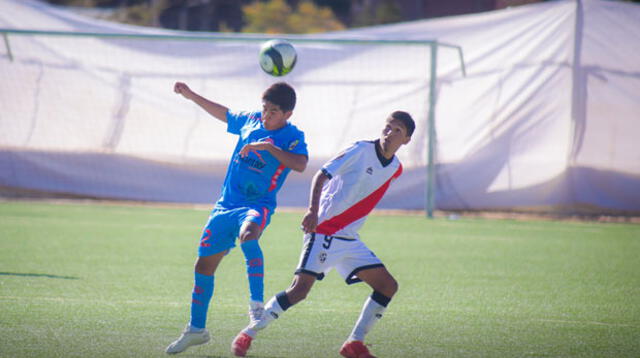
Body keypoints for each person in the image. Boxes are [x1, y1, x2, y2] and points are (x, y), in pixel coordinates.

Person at [231, 111, 415, 358]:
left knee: (387, 286)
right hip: (324, 231)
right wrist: (313, 212)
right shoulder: (360, 150)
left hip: (349, 239)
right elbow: (321, 175)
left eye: (397, 131)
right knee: (299, 291)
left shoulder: (395, 168)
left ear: (406, 140)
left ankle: (354, 343)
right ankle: (248, 333)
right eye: (388, 127)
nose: (389, 133)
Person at [165, 82, 308, 354]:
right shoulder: (252, 120)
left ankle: (256, 306)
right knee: (203, 267)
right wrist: (191, 94)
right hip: (225, 206)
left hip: (257, 204)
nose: (266, 115)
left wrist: (269, 148)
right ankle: (197, 329)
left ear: (287, 114)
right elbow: (225, 114)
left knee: (248, 235)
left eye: (274, 112)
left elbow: (300, 164)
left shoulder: (292, 136)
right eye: (265, 108)